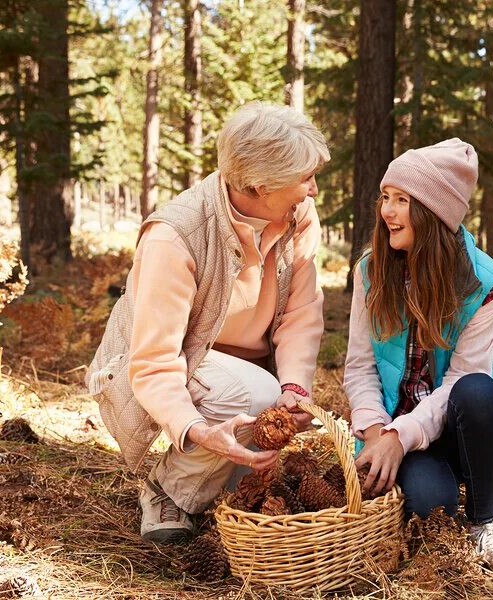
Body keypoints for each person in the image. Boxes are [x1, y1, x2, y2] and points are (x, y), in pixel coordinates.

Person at [86, 102, 329, 544]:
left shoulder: (298, 217)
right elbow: (156, 360)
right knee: (253, 394)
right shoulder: (175, 236)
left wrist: (294, 387)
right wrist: (198, 432)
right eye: (304, 179)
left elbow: (301, 312)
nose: (313, 190)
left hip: (256, 371)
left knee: (258, 435)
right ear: (260, 185)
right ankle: (170, 489)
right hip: (178, 365)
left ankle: (220, 478)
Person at [344, 138, 493, 574]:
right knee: (431, 505)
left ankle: (485, 526)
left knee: (477, 390)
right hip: (396, 427)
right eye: (386, 198)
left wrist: (400, 437)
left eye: (402, 201)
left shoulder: (482, 285)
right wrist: (377, 433)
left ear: (434, 214)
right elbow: (360, 365)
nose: (387, 212)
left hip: (460, 427)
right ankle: (440, 491)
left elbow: (459, 383)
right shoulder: (370, 271)